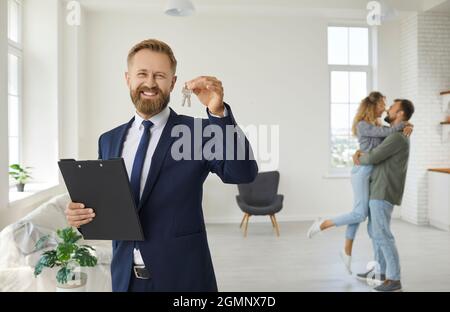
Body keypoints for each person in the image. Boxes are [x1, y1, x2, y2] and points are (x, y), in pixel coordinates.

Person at [65, 39, 258, 292]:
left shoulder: (195, 133)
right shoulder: (109, 140)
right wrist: (81, 216)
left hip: (183, 278)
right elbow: (112, 204)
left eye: (160, 75)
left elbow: (242, 173)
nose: (150, 83)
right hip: (126, 279)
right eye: (142, 74)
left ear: (173, 83)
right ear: (128, 79)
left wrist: (218, 113)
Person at [306, 92, 413, 274]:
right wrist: (405, 124)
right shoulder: (363, 125)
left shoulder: (377, 124)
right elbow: (386, 135)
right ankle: (323, 224)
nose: (385, 108)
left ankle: (347, 253)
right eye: (382, 104)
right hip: (362, 171)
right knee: (359, 213)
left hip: (371, 172)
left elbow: (383, 141)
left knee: (359, 213)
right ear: (373, 106)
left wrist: (407, 124)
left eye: (389, 106)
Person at [353, 99, 415, 292]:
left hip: (384, 191)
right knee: (376, 233)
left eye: (393, 108)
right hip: (379, 189)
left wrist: (358, 156)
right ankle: (379, 272)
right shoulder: (396, 133)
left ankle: (394, 279)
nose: (388, 109)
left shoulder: (397, 138)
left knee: (383, 235)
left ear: (401, 113)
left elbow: (373, 157)